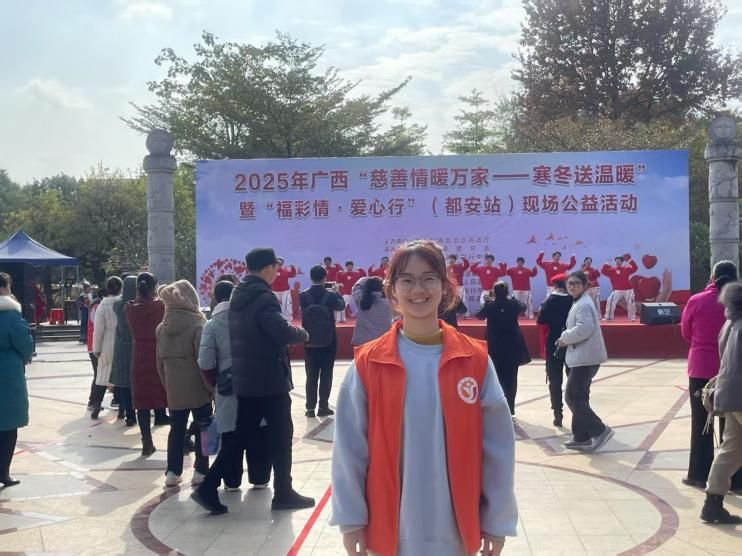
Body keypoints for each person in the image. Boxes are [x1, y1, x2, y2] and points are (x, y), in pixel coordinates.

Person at [331, 240, 518, 556]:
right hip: (389, 533)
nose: (418, 289)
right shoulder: (369, 363)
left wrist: (497, 520)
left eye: (429, 278)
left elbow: (498, 449)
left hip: (456, 534)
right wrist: (350, 520)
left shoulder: (473, 360)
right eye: (407, 280)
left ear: (445, 287)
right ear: (392, 290)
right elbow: (349, 450)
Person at [229, 247, 314, 510]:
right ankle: (283, 492)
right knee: (281, 435)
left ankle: (209, 487)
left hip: (247, 376)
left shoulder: (239, 293)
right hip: (268, 378)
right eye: (275, 268)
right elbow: (280, 331)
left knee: (240, 435)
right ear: (267, 268)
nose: (277, 272)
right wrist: (302, 334)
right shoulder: (263, 296)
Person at [192, 280, 272, 515]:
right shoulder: (250, 318)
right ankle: (260, 478)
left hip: (226, 386)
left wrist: (215, 382)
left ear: (215, 298)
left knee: (230, 432)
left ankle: (232, 481)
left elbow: (205, 361)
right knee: (257, 430)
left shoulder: (212, 324)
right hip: (255, 384)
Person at [681, 260, 742, 489]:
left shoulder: (696, 301)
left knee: (701, 423)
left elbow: (686, 332)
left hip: (701, 368)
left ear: (712, 277)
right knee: (733, 429)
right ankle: (735, 479)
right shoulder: (737, 303)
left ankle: (698, 474)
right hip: (733, 371)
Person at [156, 280, 214, 488]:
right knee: (204, 429)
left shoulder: (161, 328)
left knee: (176, 430)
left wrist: (168, 387)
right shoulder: (199, 325)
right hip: (198, 388)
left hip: (174, 390)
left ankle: (172, 472)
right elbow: (203, 362)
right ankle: (201, 470)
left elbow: (159, 364)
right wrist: (210, 389)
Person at [557, 271, 613, 451]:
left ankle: (600, 430)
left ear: (584, 286)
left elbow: (585, 328)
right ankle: (581, 437)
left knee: (572, 396)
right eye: (569, 283)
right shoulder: (579, 302)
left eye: (576, 283)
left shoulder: (583, 305)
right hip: (582, 357)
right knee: (579, 397)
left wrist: (564, 338)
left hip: (585, 358)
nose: (572, 286)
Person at [701, 281, 742, 524]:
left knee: (731, 450)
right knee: (732, 450)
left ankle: (712, 504)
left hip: (730, 396)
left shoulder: (730, 322)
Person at [126, 272, 168, 456]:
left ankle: (146, 442)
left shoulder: (130, 308)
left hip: (139, 356)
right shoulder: (160, 306)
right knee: (170, 398)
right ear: (154, 287)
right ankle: (181, 440)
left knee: (142, 402)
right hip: (159, 355)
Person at [476, 281, 531, 416]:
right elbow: (523, 307)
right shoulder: (513, 304)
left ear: (494, 292)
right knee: (511, 378)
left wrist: (486, 302)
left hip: (495, 347)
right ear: (507, 292)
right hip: (512, 346)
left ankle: (499, 408)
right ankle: (510, 408)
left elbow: (479, 315)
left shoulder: (490, 306)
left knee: (496, 378)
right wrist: (514, 299)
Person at [0, 272, 33, 488]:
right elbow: (24, 343)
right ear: (3, 289)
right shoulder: (10, 315)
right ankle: (3, 472)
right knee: (8, 425)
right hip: (7, 375)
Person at [300, 265, 346, 418]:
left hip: (309, 339)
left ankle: (310, 408)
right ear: (325, 278)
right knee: (326, 373)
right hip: (328, 339)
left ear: (310, 277)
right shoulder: (330, 295)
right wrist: (336, 291)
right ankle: (323, 406)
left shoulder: (303, 295)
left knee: (311, 375)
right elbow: (341, 306)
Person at [537, 274, 574, 427]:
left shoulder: (549, 301)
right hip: (572, 343)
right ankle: (578, 412)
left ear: (555, 286)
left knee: (555, 381)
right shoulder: (574, 300)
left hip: (553, 343)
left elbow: (541, 322)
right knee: (574, 379)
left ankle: (557, 413)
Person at [91, 277, 123, 420]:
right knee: (121, 376)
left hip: (106, 342)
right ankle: (122, 408)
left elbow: (98, 331)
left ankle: (97, 404)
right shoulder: (124, 303)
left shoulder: (102, 306)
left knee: (103, 374)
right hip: (121, 341)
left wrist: (96, 349)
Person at [110, 276, 137, 426]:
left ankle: (128, 414)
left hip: (121, 345)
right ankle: (136, 411)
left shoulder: (118, 304)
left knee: (124, 383)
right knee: (136, 383)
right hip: (135, 344)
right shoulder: (136, 305)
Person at [351, 276, 393, 345]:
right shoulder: (391, 303)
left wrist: (367, 279)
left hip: (363, 343)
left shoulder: (361, 301)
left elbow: (356, 287)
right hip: (384, 342)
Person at [602, 256, 639, 321]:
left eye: (619, 261)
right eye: (617, 261)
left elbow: (635, 268)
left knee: (631, 303)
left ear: (622, 262)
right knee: (610, 301)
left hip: (628, 289)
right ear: (615, 262)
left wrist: (631, 262)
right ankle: (608, 317)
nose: (618, 262)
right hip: (617, 290)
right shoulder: (611, 270)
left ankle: (632, 317)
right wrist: (605, 265)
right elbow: (603, 271)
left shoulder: (626, 268)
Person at [86, 287, 105, 410]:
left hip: (94, 344)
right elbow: (97, 327)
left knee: (99, 374)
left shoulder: (97, 306)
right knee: (98, 374)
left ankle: (94, 401)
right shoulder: (97, 307)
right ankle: (93, 401)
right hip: (95, 345)